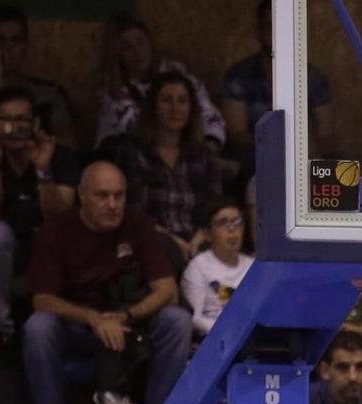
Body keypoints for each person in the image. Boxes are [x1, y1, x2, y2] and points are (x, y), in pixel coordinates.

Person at [23, 161, 192, 404]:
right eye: (103, 196)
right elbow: (42, 300)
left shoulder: (138, 225)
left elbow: (165, 290)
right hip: (78, 328)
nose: (112, 204)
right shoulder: (57, 231)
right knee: (38, 327)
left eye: (119, 195)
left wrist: (124, 316)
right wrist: (94, 319)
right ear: (82, 196)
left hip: (129, 325)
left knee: (177, 320)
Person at [0, 83, 81, 339]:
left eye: (21, 120)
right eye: (5, 121)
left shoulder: (59, 155)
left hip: (47, 253)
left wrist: (42, 170)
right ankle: (0, 326)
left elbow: (59, 217)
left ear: (36, 123)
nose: (14, 129)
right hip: (3, 260)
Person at [109, 71, 222, 262]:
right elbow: (132, 213)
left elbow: (214, 209)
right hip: (150, 240)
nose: (175, 108)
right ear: (153, 107)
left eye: (182, 101)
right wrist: (172, 241)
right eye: (166, 100)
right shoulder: (133, 153)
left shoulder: (202, 157)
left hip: (197, 241)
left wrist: (199, 238)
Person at [221, 0, 331, 179]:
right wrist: (275, 144)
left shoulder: (313, 77)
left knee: (340, 164)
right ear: (258, 32)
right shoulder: (240, 75)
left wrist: (308, 152)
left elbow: (326, 133)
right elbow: (236, 135)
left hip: (303, 157)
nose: (277, 33)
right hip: (257, 158)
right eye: (270, 26)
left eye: (284, 27)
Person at [0, 5, 78, 152]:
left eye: (16, 40)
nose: (8, 48)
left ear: (25, 45)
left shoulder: (51, 94)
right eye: (0, 40)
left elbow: (67, 144)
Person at [91, 13, 223, 151]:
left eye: (141, 42)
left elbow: (211, 117)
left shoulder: (177, 74)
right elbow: (139, 131)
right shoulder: (113, 93)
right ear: (117, 55)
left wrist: (209, 147)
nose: (138, 52)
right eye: (128, 48)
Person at [179, 198, 251, 339]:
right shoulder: (198, 267)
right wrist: (232, 333)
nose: (232, 229)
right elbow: (194, 319)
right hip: (210, 341)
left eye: (237, 222)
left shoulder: (253, 266)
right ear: (207, 234)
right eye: (223, 223)